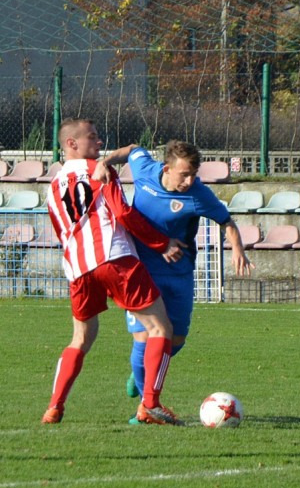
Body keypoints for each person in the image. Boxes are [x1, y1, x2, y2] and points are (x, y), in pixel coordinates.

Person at [41, 118, 186, 425]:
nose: (99, 142)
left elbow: (61, 230)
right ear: (71, 144)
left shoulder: (52, 186)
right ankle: (150, 405)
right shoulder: (100, 171)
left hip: (78, 268)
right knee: (161, 328)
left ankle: (54, 407)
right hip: (113, 257)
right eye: (92, 137)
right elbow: (122, 213)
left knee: (81, 338)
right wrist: (161, 243)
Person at [96, 141, 254, 420]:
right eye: (184, 175)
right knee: (145, 337)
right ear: (166, 168)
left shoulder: (198, 193)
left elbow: (226, 222)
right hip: (141, 270)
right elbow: (132, 149)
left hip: (180, 272)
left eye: (193, 174)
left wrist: (238, 249)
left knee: (176, 339)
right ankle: (145, 407)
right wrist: (105, 161)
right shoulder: (145, 170)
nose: (189, 181)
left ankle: (141, 374)